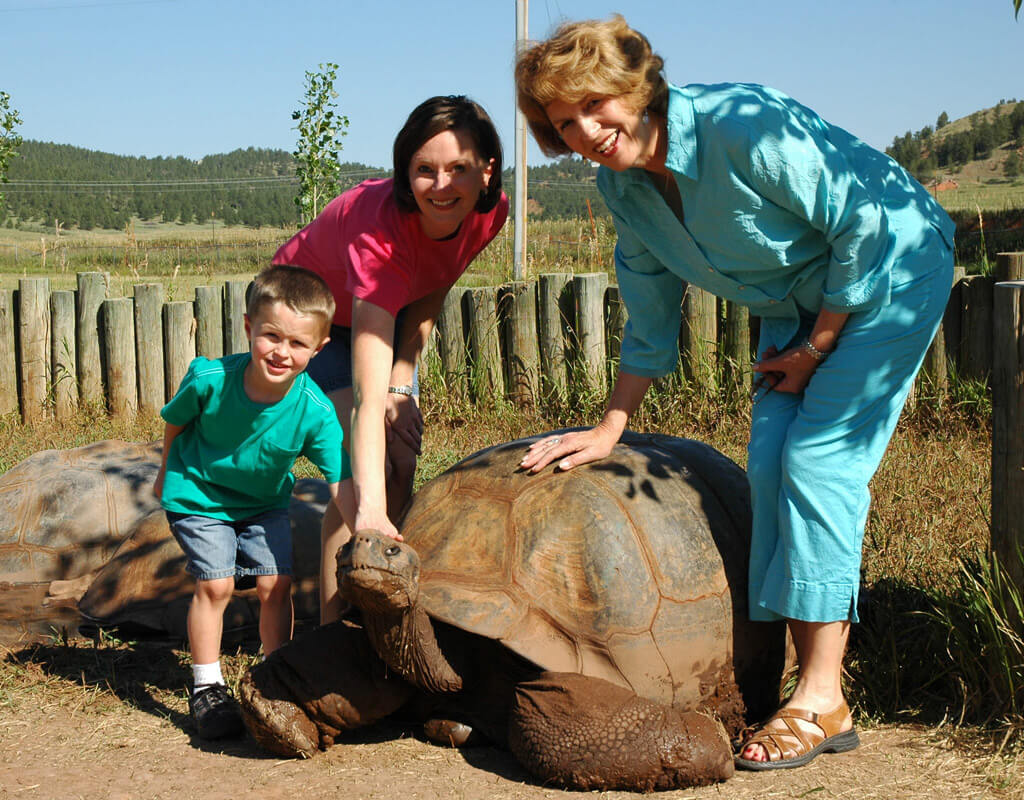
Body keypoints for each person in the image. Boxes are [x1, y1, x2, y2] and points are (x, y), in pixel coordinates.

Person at [515, 15, 954, 771]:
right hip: (797, 307)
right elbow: (649, 307)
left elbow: (863, 222)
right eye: (563, 122)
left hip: (890, 271)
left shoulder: (742, 126)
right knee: (768, 466)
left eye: (594, 105)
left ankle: (822, 697)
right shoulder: (625, 190)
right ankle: (790, 672)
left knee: (818, 466)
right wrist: (612, 426)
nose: (585, 130)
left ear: (634, 87)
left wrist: (819, 345)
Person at [272, 95, 508, 622]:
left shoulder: (490, 214)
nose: (441, 186)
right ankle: (331, 633)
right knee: (360, 479)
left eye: (458, 169)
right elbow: (364, 399)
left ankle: (367, 612)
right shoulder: (379, 232)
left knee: (401, 458)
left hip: (386, 306)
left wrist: (404, 383)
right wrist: (371, 513)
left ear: (487, 173)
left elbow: (435, 279)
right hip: (310, 317)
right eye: (425, 170)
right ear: (405, 171)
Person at [154, 264, 355, 740]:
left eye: (298, 343)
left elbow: (340, 481)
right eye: (271, 336)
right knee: (218, 586)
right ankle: (206, 686)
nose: (282, 352)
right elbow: (174, 422)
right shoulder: (209, 380)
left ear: (319, 349)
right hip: (198, 493)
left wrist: (368, 525)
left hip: (262, 504)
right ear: (248, 327)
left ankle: (275, 674)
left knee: (276, 584)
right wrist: (166, 469)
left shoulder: (316, 412)